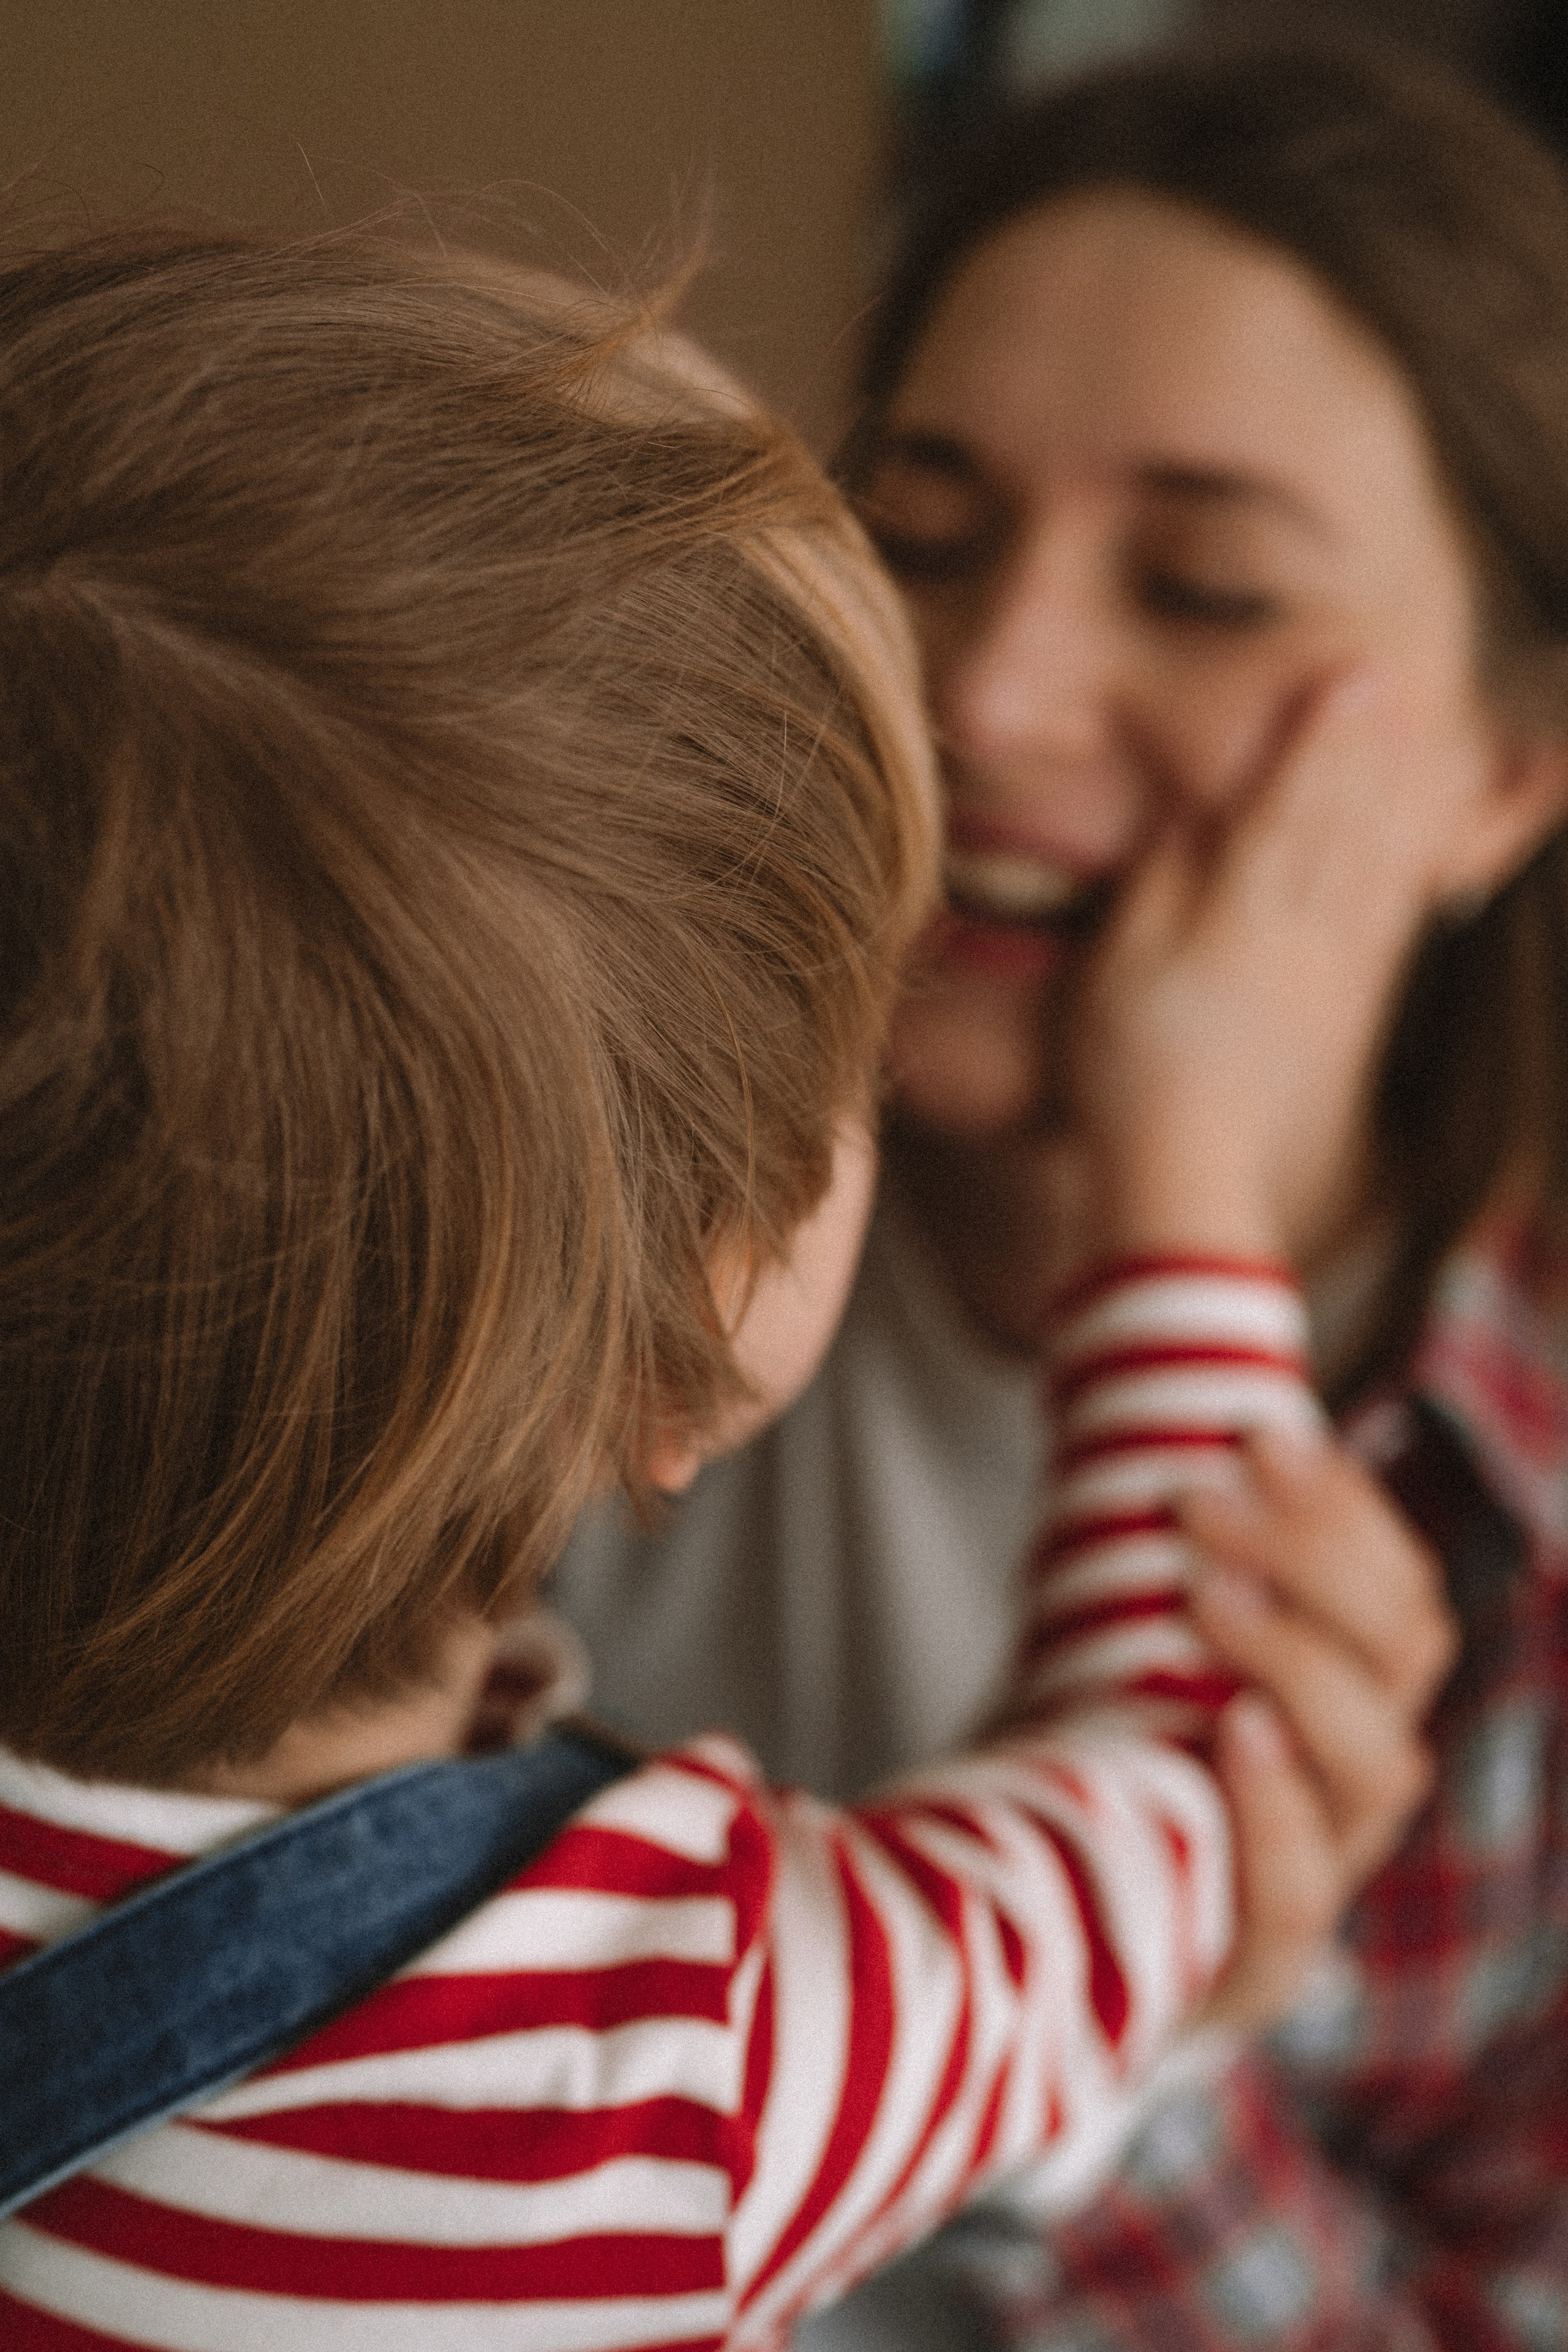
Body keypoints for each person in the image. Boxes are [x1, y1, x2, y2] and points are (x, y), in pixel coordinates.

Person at [0, 224, 1447, 2351]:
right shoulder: (699, 2065)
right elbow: (1176, 1778)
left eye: (1205, 584)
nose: (1002, 698)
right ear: (701, 1330)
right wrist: (1190, 1180)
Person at [555, 32, 1568, 2352]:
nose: (983, 692)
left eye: (1203, 590)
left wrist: (1160, 2079)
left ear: (1515, 768)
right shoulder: (535, 1220)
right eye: (917, 535)